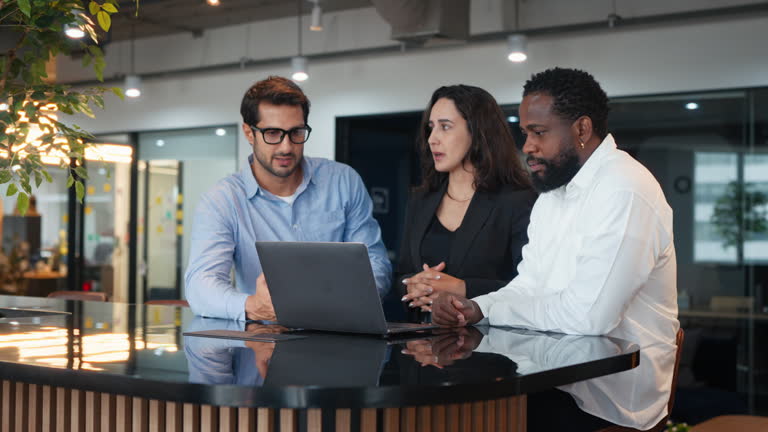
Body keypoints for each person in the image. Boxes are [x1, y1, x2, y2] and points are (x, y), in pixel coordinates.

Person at [432, 68, 679, 429]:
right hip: (558, 380)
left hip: (612, 400)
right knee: (457, 410)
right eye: (525, 133)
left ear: (581, 129)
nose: (528, 146)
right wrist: (476, 308)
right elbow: (529, 284)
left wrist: (501, 310)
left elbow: (588, 318)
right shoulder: (553, 194)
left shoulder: (624, 190)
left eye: (539, 133)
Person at [185, 76, 391, 321]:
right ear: (249, 133)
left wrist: (339, 301)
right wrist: (252, 305)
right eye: (272, 133)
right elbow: (200, 286)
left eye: (296, 132)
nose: (286, 147)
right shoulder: (223, 200)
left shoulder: (342, 181)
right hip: (264, 344)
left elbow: (376, 264)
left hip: (342, 336)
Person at [397, 85, 536, 321]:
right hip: (420, 346)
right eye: (431, 128)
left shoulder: (519, 200)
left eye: (445, 127)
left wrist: (463, 289)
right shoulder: (421, 199)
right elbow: (402, 274)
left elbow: (530, 287)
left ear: (478, 131)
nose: (432, 139)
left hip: (488, 346)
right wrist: (412, 286)